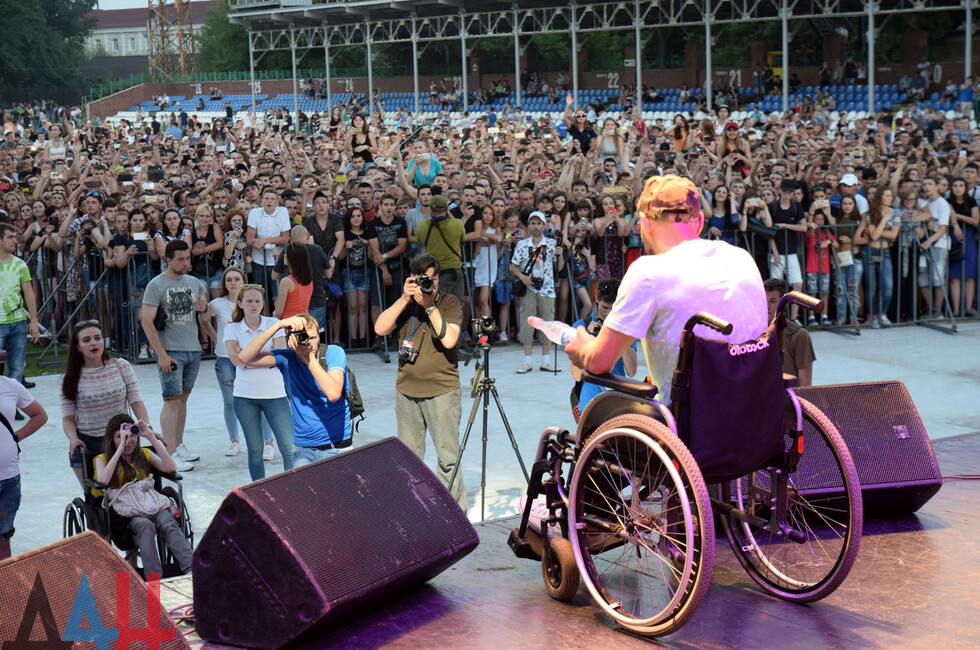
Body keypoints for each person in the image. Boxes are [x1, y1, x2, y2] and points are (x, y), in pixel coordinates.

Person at [565, 175, 768, 404]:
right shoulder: (742, 258)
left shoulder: (647, 272)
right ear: (700, 222)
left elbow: (599, 362)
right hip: (756, 408)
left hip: (692, 417)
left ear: (645, 223)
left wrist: (583, 346)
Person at [373, 253, 466, 509]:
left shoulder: (449, 302)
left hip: (442, 392)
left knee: (448, 459)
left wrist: (430, 307)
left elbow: (449, 339)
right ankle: (415, 512)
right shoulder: (405, 304)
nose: (430, 284)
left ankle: (454, 516)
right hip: (407, 393)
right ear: (412, 279)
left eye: (433, 279)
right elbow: (380, 328)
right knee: (409, 460)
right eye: (424, 278)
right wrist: (404, 298)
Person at [239, 313, 351, 467]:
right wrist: (277, 326)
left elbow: (333, 394)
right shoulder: (287, 357)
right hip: (303, 449)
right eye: (304, 338)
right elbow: (244, 358)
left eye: (313, 337)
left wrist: (308, 358)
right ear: (292, 339)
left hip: (336, 446)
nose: (309, 343)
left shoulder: (333, 353)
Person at [140, 239, 211, 472]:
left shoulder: (195, 283)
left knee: (182, 399)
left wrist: (204, 308)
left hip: (192, 348)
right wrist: (161, 354)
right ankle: (168, 453)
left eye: (188, 258)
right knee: (171, 400)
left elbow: (204, 316)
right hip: (170, 349)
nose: (186, 263)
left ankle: (178, 445)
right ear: (168, 260)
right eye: (180, 259)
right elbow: (147, 321)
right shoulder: (156, 284)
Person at [94, 415, 193, 576]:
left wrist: (151, 437)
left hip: (152, 505)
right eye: (120, 436)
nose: (128, 441)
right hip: (127, 513)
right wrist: (120, 449)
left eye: (132, 435)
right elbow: (103, 480)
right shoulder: (102, 459)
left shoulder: (144, 454)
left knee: (167, 521)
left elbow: (170, 467)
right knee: (145, 526)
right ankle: (154, 577)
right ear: (111, 439)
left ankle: (191, 568)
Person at [61, 320, 151, 485]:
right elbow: (68, 418)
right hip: (88, 444)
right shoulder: (70, 378)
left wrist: (147, 427)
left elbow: (137, 402)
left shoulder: (121, 366)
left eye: (98, 338)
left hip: (122, 438)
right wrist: (73, 439)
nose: (94, 343)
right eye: (86, 340)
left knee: (129, 490)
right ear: (78, 347)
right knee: (95, 495)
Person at [224, 284, 295, 479]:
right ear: (240, 304)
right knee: (255, 451)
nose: (253, 304)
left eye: (257, 301)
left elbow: (279, 357)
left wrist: (247, 356)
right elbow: (235, 360)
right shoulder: (232, 328)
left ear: (263, 303)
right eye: (249, 301)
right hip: (244, 397)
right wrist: (265, 355)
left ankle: (294, 489)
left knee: (289, 449)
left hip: (276, 395)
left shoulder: (274, 323)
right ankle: (259, 492)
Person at [569, 279, 638, 421]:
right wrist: (590, 338)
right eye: (605, 307)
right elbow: (576, 374)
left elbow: (631, 371)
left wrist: (619, 333)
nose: (609, 313)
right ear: (596, 299)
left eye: (614, 308)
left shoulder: (626, 328)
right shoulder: (581, 326)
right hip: (590, 402)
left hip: (616, 401)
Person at [0, 376, 47, 560]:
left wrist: (15, 437)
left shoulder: (11, 386)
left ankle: (6, 578)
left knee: (3, 540)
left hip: (9, 478)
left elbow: (40, 415)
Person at [510, 211, 564, 373]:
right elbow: (514, 265)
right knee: (527, 322)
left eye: (539, 223)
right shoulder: (522, 244)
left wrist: (560, 255)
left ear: (544, 226)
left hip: (547, 288)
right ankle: (527, 361)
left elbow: (559, 267)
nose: (536, 226)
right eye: (533, 223)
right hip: (528, 287)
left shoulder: (552, 244)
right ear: (528, 226)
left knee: (548, 324)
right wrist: (523, 277)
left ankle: (546, 360)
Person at [207, 267, 247, 457]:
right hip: (224, 358)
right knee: (230, 401)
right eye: (229, 279)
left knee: (257, 399)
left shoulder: (249, 301)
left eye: (236, 279)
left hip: (247, 359)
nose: (233, 283)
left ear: (243, 281)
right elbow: (203, 318)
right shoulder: (217, 304)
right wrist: (215, 338)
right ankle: (234, 441)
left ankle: (267, 442)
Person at [0, 224, 41, 387]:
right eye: (10, 237)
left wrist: (34, 321)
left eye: (15, 237)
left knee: (17, 370)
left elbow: (29, 293)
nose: (15, 241)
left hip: (18, 323)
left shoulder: (20, 264)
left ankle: (13, 402)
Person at [415, 195, 466, 305]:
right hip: (454, 271)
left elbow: (419, 239)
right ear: (446, 209)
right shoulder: (457, 224)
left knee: (436, 304)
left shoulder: (422, 225)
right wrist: (449, 213)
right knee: (457, 305)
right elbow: (463, 238)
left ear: (430, 208)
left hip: (433, 272)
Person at [765, 278, 815, 386]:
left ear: (784, 304)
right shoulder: (752, 333)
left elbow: (805, 384)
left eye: (772, 301)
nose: (767, 306)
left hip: (788, 395)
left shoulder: (799, 336)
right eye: (763, 301)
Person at [274, 242, 314, 319]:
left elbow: (278, 312)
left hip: (289, 322)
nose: (284, 255)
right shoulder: (309, 280)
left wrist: (274, 314)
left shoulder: (286, 282)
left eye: (286, 253)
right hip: (305, 320)